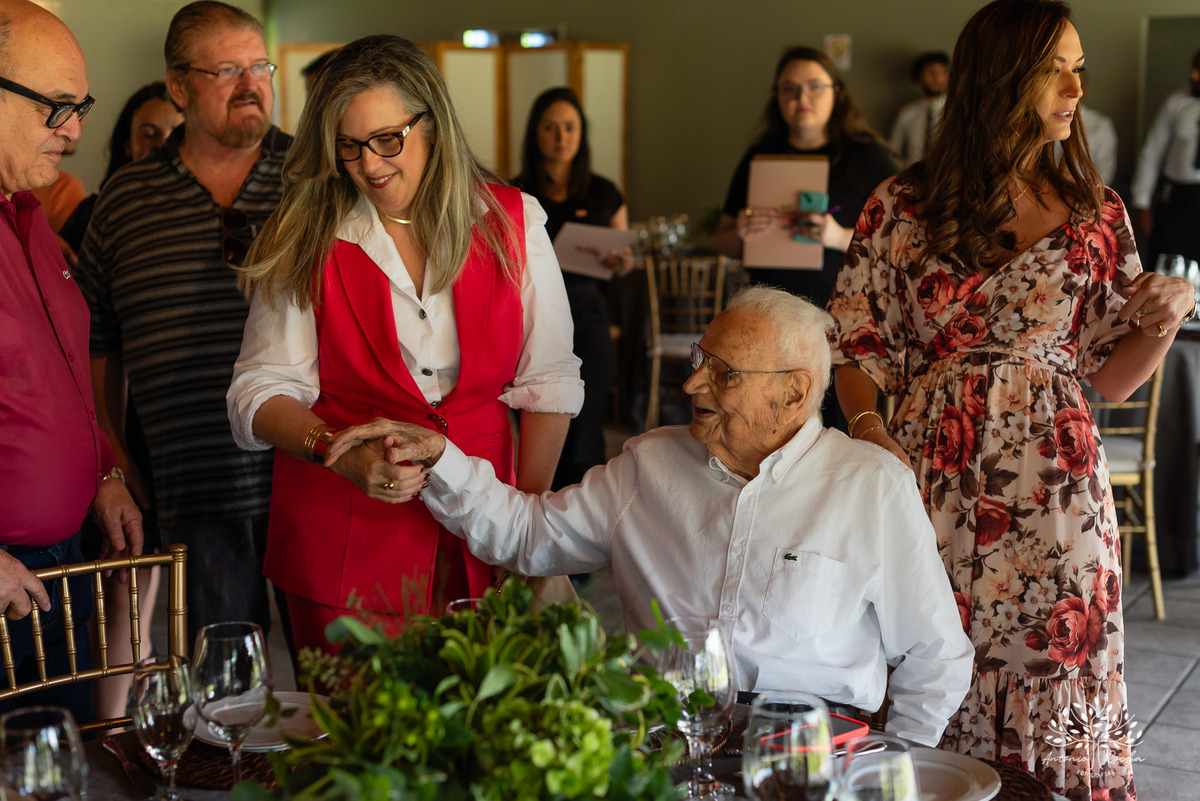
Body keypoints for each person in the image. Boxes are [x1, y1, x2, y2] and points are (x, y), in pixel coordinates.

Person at [323, 287, 974, 746]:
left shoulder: (869, 485)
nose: (692, 385)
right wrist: (443, 458)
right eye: (700, 362)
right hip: (663, 740)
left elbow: (936, 654)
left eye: (723, 374)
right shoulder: (651, 465)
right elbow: (527, 535)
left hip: (814, 751)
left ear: (794, 392)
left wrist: (897, 770)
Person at [828, 1, 1195, 797]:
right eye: (1056, 66)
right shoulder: (900, 205)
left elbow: (1110, 375)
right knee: (926, 651)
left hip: (1056, 486)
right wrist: (866, 423)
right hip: (930, 467)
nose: (1076, 85)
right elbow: (856, 342)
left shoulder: (1097, 214)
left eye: (1080, 67)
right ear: (1001, 76)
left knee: (1053, 656)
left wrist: (1166, 317)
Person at [227, 35, 583, 654]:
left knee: (486, 736)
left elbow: (549, 382)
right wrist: (334, 450)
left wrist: (522, 528)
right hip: (343, 537)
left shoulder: (511, 221)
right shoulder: (306, 233)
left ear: (434, 125)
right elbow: (259, 392)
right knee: (352, 741)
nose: (368, 164)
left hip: (485, 518)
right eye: (348, 146)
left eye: (387, 140)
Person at [74, 0, 288, 645]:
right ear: (178, 86)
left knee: (348, 693)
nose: (251, 84)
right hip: (193, 486)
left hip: (318, 480)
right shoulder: (125, 200)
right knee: (225, 695)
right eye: (226, 70)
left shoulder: (318, 178)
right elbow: (95, 344)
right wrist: (111, 455)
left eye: (260, 66)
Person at [0, 0, 142, 723]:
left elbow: (59, 381)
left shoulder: (28, 212)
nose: (77, 131)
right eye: (57, 106)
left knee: (68, 763)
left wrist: (105, 471)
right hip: (3, 577)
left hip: (62, 565)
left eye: (80, 106)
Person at [61, 81, 182, 718]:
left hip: (156, 417)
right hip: (100, 415)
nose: (159, 146)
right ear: (125, 142)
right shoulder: (91, 215)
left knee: (145, 571)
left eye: (171, 133)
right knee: (106, 573)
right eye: (147, 134)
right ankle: (106, 715)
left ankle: (122, 709)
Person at [714, 46, 896, 431]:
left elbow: (897, 240)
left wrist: (837, 235)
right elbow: (724, 241)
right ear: (777, 97)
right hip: (767, 314)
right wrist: (742, 231)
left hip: (840, 315)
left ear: (837, 92)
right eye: (790, 89)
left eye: (814, 87)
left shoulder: (868, 158)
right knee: (766, 422)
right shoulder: (759, 157)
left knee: (835, 426)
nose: (802, 98)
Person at [514, 87, 627, 488]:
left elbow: (626, 255)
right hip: (532, 316)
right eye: (550, 127)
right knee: (537, 418)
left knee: (587, 418)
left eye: (570, 127)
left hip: (589, 311)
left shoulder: (603, 192)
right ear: (535, 133)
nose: (561, 136)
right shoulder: (516, 193)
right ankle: (536, 505)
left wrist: (622, 260)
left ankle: (584, 514)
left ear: (581, 134)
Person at [60, 81, 182, 255]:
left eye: (177, 133)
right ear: (128, 145)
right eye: (148, 134)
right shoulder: (95, 214)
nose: (162, 144)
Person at [1131, 48, 1200, 264]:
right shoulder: (1176, 103)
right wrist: (1141, 201)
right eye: (1193, 68)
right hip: (1176, 197)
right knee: (1165, 265)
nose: (1194, 76)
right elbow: (1152, 151)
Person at [888, 51, 949, 166]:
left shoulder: (954, 111)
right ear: (919, 77)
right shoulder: (907, 113)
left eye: (943, 72)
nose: (938, 78)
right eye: (931, 73)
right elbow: (893, 152)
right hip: (913, 176)